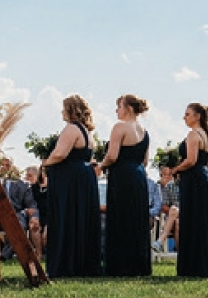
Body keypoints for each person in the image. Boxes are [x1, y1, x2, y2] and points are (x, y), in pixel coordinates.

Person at [41, 94, 101, 278]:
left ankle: (66, 264)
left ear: (71, 110)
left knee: (66, 218)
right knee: (80, 219)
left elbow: (60, 153)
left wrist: (45, 163)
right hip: (83, 180)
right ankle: (82, 263)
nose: (61, 111)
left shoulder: (71, 128)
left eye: (64, 108)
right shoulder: (88, 133)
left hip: (69, 181)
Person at [99, 94, 151, 276]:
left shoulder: (119, 127)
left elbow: (112, 155)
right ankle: (138, 264)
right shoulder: (144, 131)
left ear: (128, 108)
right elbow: (145, 161)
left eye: (119, 106)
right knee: (136, 218)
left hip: (122, 176)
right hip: (139, 176)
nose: (116, 110)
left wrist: (100, 166)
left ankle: (121, 265)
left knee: (121, 218)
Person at [170, 103, 208, 276]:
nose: (184, 117)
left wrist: (175, 169)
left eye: (187, 114)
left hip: (193, 179)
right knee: (200, 220)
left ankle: (192, 266)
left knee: (192, 219)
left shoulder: (194, 134)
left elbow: (191, 160)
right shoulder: (205, 135)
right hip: (202, 177)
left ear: (197, 116)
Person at [0, 156, 42, 260]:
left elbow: (31, 205)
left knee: (19, 226)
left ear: (13, 167)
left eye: (7, 165)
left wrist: (34, 217)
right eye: (2, 165)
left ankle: (4, 256)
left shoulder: (23, 185)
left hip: (16, 214)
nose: (4, 167)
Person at [153, 166, 180, 252]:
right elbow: (163, 206)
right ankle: (179, 251)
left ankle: (160, 241)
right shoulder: (169, 186)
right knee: (176, 219)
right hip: (173, 218)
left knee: (174, 211)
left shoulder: (193, 185)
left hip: (189, 214)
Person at [25, 166, 48, 250]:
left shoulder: (54, 187)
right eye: (42, 171)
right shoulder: (34, 188)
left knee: (45, 235)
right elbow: (31, 204)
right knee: (34, 226)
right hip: (38, 215)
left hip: (51, 216)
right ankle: (39, 253)